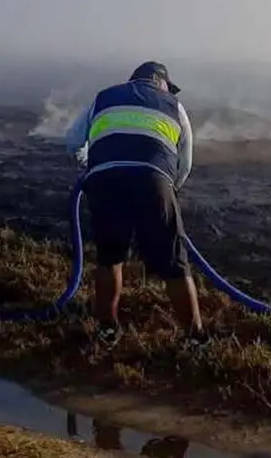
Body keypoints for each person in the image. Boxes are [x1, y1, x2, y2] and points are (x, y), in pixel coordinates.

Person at [64, 61, 204, 348]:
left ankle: (107, 330)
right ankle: (195, 338)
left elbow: (72, 140)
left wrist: (89, 165)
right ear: (160, 82)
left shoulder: (103, 97)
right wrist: (168, 189)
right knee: (175, 265)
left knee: (110, 258)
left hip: (104, 182)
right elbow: (185, 163)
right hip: (153, 181)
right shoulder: (174, 105)